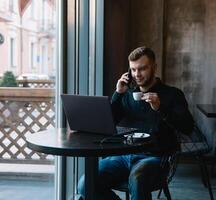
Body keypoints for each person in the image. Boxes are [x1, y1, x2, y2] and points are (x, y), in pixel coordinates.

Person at [78, 46, 194, 200]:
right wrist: (118, 94)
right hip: (122, 156)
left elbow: (188, 127)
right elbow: (108, 123)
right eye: (133, 70)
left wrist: (160, 107)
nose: (137, 74)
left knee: (138, 178)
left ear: (154, 67)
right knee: (85, 184)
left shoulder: (172, 94)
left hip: (155, 157)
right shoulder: (127, 95)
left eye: (142, 69)